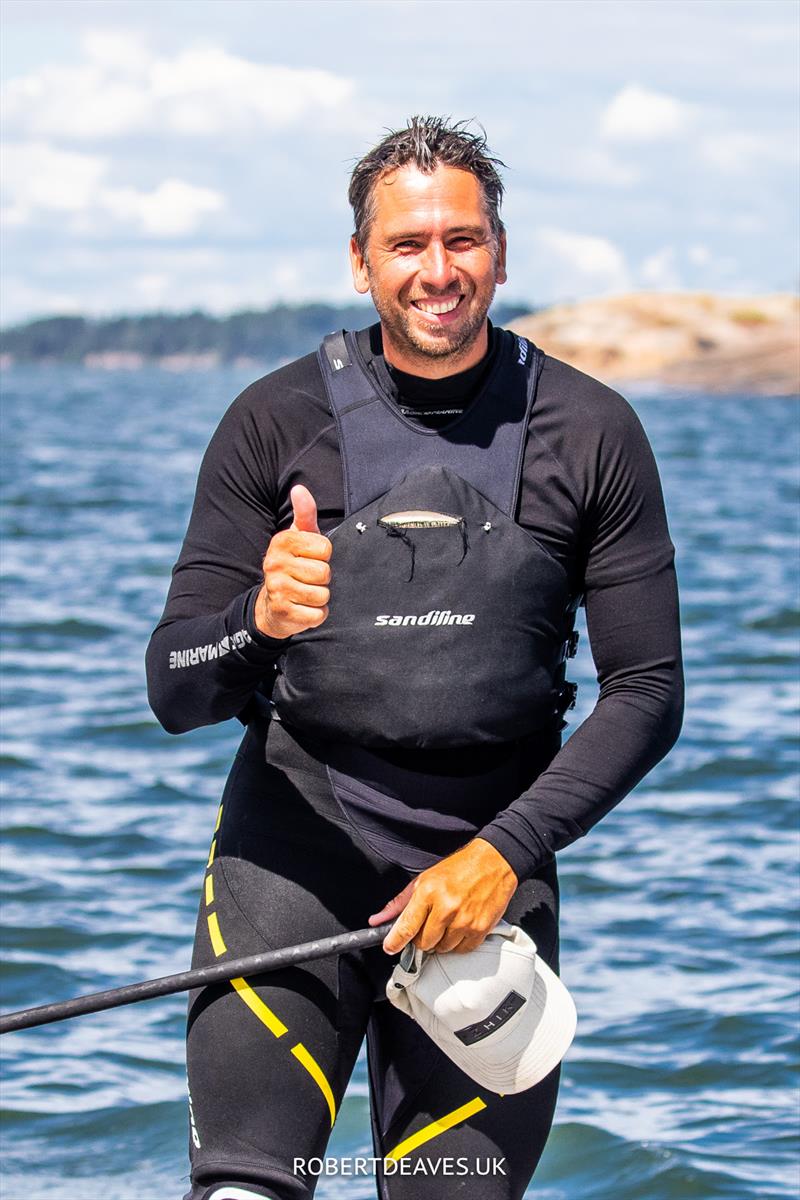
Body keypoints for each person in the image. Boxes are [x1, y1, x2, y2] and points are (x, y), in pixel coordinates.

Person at [146, 116, 683, 1200]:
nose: (436, 272)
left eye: (461, 240)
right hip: (292, 862)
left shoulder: (589, 431)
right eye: (405, 245)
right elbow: (174, 687)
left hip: (488, 874)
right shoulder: (274, 421)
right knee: (249, 1191)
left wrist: (501, 855)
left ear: (497, 250)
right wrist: (261, 619)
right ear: (359, 261)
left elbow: (647, 693)